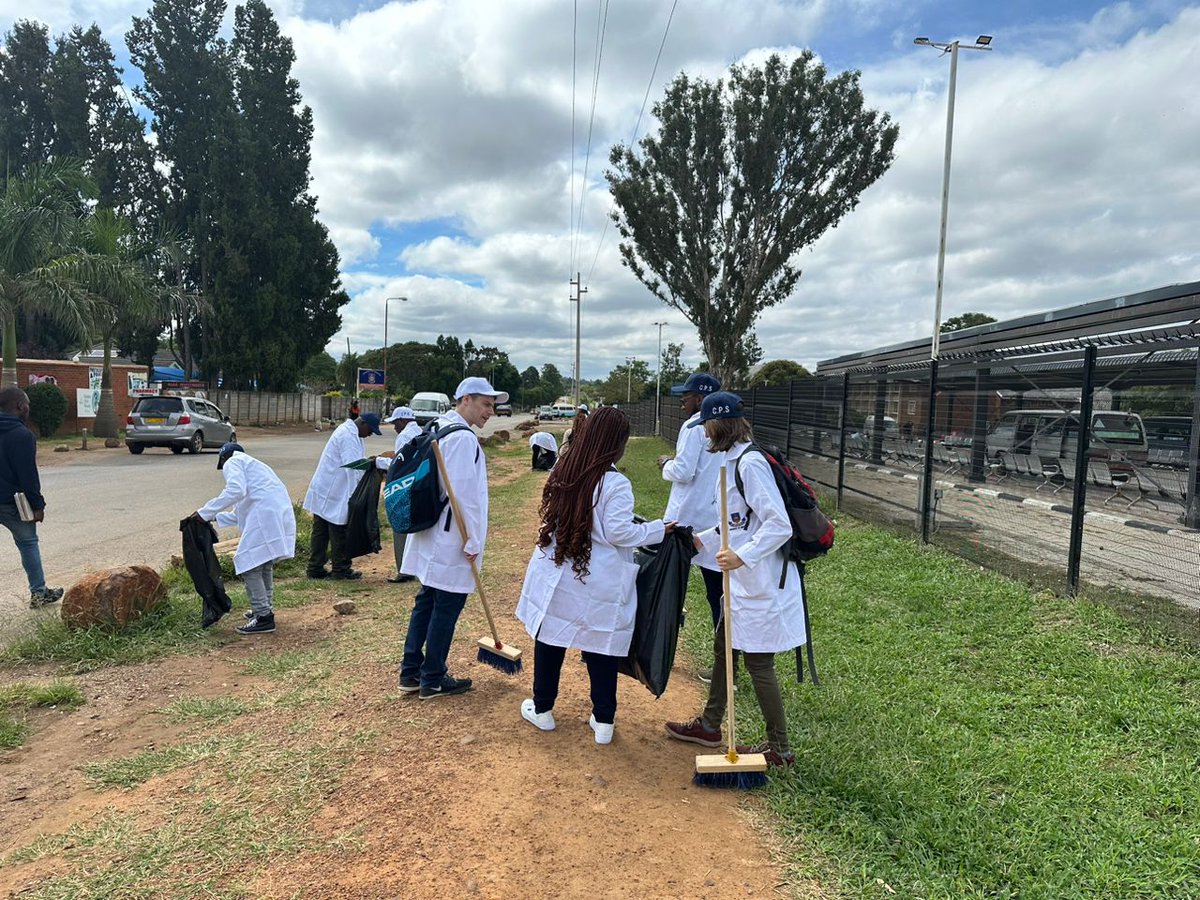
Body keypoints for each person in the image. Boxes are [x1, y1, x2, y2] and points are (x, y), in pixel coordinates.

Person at [664, 391, 805, 767]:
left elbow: (779, 525)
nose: (704, 435)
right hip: (740, 582)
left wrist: (742, 555)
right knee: (723, 647)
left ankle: (780, 749)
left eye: (707, 428)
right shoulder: (730, 460)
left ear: (719, 425)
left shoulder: (750, 463)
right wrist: (704, 540)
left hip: (759, 581)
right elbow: (736, 522)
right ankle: (710, 725)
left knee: (758, 664)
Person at [515, 407, 670, 744]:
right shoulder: (615, 483)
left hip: (560, 572)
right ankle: (603, 721)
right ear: (617, 443)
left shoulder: (564, 468)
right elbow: (618, 533)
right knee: (601, 644)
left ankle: (542, 709)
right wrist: (659, 529)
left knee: (551, 636)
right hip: (596, 577)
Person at [398, 377, 504, 701]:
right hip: (452, 537)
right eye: (486, 405)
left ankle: (411, 672)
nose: (490, 413)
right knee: (446, 605)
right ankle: (432, 678)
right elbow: (462, 495)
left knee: (427, 600)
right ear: (466, 399)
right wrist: (471, 540)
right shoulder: (463, 439)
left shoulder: (438, 426)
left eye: (493, 406)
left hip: (435, 533)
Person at [656, 372, 724, 681]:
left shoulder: (693, 426)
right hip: (716, 523)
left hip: (685, 521)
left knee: (669, 585)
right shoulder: (728, 427)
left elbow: (683, 471)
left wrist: (665, 465)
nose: (682, 400)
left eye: (687, 395)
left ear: (700, 399)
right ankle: (725, 667)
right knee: (717, 595)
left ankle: (657, 648)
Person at [194, 443, 296, 635]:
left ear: (225, 458)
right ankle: (264, 609)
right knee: (263, 563)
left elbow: (235, 491)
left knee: (249, 563)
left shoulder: (233, 461)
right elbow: (238, 513)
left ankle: (264, 617)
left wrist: (204, 512)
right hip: (277, 514)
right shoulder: (256, 467)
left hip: (265, 516)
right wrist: (212, 517)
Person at [0, 386, 63, 609]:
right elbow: (28, 475)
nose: (28, 409)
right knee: (28, 544)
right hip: (11, 503)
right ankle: (38, 593)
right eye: (27, 405)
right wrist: (38, 505)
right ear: (19, 406)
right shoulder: (22, 435)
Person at [302, 412, 382, 580]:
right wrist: (356, 498)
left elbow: (356, 462)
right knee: (337, 530)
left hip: (328, 487)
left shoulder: (350, 432)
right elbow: (353, 467)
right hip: (334, 490)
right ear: (363, 423)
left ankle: (315, 568)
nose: (370, 434)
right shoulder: (348, 436)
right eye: (370, 430)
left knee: (321, 530)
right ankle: (340, 569)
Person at [376, 406, 422, 583]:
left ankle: (404, 570)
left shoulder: (404, 436)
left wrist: (379, 462)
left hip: (405, 487)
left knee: (401, 527)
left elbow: (399, 464)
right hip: (419, 485)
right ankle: (414, 568)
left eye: (395, 423)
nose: (395, 427)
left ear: (403, 421)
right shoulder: (420, 432)